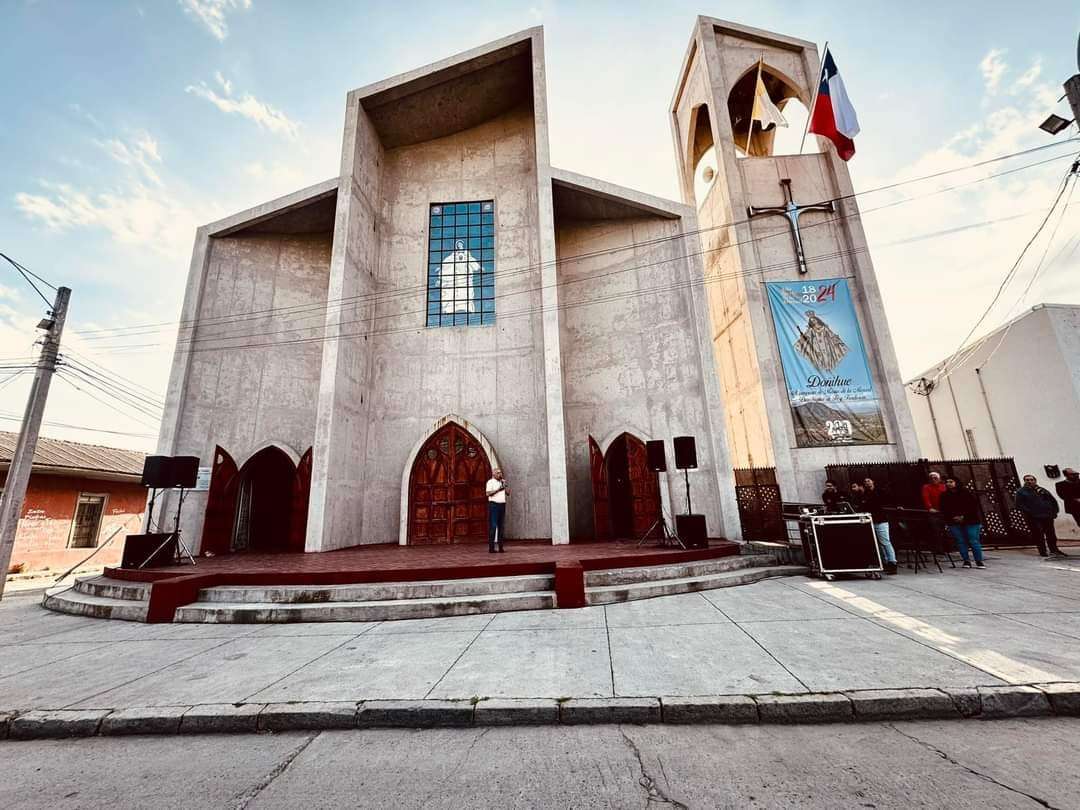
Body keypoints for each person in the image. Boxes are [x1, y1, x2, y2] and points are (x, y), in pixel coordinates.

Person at [1015, 474, 1066, 558]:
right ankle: (1042, 551)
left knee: (1051, 534)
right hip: (1034, 517)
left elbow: (1052, 500)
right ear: (1024, 481)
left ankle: (1054, 549)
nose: (1029, 481)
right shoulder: (1021, 492)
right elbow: (1019, 505)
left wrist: (1054, 511)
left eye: (1031, 480)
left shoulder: (1042, 490)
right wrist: (1031, 513)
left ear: (1035, 481)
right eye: (1027, 480)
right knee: (1038, 534)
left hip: (1047, 515)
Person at [939, 477, 985, 568]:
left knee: (973, 541)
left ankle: (979, 561)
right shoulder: (944, 495)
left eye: (951, 482)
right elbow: (944, 508)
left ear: (956, 483)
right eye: (947, 482)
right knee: (960, 541)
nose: (948, 483)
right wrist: (954, 517)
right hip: (953, 521)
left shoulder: (966, 493)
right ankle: (966, 561)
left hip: (970, 521)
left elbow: (972, 506)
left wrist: (963, 516)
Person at [862, 477, 898, 575]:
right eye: (865, 482)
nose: (867, 483)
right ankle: (885, 561)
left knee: (885, 542)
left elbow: (886, 500)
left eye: (868, 481)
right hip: (871, 520)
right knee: (879, 543)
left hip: (880, 520)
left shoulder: (880, 492)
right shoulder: (865, 494)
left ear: (873, 481)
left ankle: (892, 562)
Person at [486, 467, 509, 553]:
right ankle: (491, 548)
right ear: (493, 474)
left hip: (502, 505)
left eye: (500, 473)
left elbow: (508, 493)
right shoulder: (490, 482)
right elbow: (488, 494)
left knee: (501, 527)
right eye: (498, 473)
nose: (500, 474)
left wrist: (505, 486)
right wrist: (498, 489)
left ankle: (501, 547)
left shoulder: (502, 482)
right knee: (493, 526)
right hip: (494, 505)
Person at [1055, 468, 1080, 532]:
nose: (1076, 475)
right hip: (1075, 508)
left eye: (1076, 473)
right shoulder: (1060, 485)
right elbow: (1063, 496)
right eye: (1073, 474)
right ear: (1066, 475)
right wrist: (1076, 499)